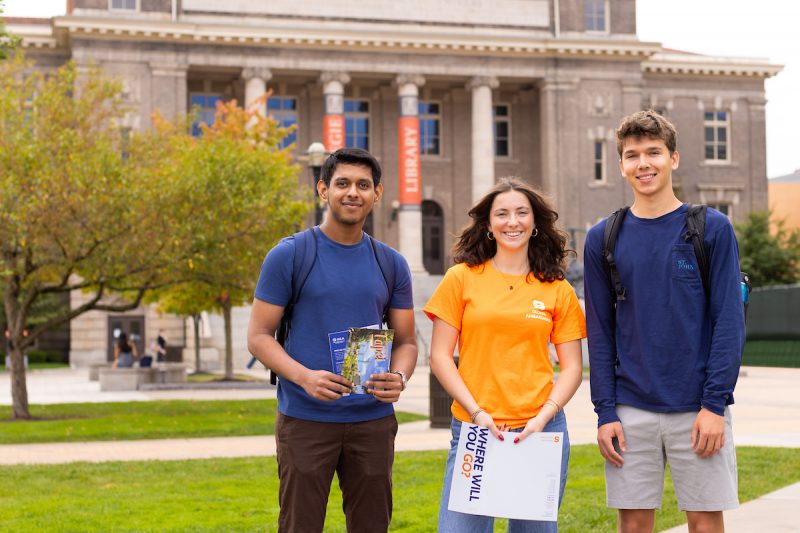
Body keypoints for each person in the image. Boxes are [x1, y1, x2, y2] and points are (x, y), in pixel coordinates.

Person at [583, 110, 745, 533]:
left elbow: (728, 321)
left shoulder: (711, 229)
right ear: (621, 165)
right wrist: (605, 412)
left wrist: (714, 404)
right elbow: (599, 331)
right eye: (632, 155)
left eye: (653, 152)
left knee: (705, 522)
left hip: (698, 407)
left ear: (673, 158)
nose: (643, 163)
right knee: (634, 525)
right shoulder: (603, 236)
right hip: (630, 406)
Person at [246, 147, 418, 533]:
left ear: (377, 193)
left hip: (372, 420)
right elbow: (258, 336)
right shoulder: (289, 255)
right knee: (300, 526)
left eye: (363, 185)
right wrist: (305, 377)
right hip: (306, 419)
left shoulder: (391, 263)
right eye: (342, 183)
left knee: (372, 526)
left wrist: (400, 378)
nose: (352, 192)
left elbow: (406, 341)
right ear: (323, 190)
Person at [424, 177, 586, 532]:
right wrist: (477, 412)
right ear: (488, 225)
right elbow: (439, 356)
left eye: (521, 213)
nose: (512, 221)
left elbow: (573, 367)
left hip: (540, 431)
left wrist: (544, 416)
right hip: (475, 429)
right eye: (502, 214)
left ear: (535, 224)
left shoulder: (558, 290)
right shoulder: (460, 278)